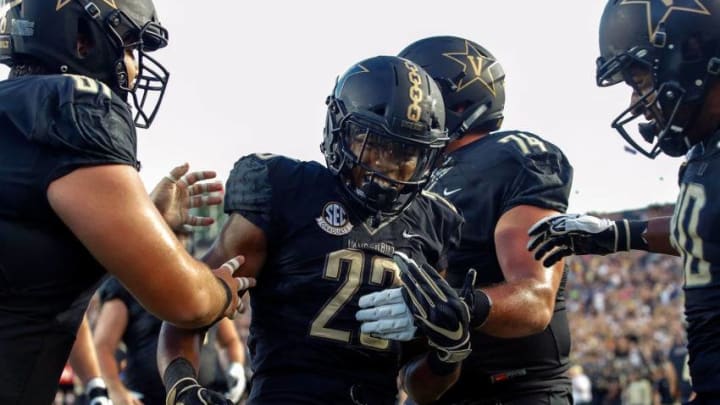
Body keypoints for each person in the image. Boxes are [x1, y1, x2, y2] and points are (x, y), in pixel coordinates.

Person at [157, 55, 473, 405]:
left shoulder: (433, 222)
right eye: (374, 145)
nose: (386, 166)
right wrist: (182, 387)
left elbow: (420, 388)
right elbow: (190, 310)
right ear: (340, 128)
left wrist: (449, 353)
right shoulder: (287, 189)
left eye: (405, 153)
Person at [0, 1, 252, 403]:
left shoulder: (15, 109)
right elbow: (184, 300)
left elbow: (32, 250)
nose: (135, 65)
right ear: (81, 40)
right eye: (131, 46)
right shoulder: (74, 106)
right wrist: (222, 289)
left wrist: (144, 216)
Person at [357, 36, 574, 404]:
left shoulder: (507, 157)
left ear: (448, 99)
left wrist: (461, 308)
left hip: (516, 393)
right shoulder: (409, 185)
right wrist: (445, 353)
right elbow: (418, 388)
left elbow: (536, 299)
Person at [526, 1, 720, 402]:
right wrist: (619, 234)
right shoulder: (704, 151)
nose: (636, 102)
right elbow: (705, 229)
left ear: (691, 56)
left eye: (641, 81)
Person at [93, 277, 248, 405]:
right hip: (147, 397)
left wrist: (235, 367)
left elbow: (230, 341)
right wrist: (115, 389)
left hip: (203, 395)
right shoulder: (127, 283)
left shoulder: (201, 277)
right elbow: (103, 345)